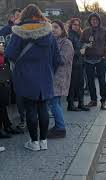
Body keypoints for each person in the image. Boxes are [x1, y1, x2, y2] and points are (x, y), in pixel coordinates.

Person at [5, 4, 61, 151]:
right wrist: (49, 71)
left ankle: (34, 142)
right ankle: (44, 141)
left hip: (25, 76)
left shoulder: (18, 33)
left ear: (24, 16)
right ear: (39, 16)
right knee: (43, 108)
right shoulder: (49, 33)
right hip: (45, 75)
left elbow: (9, 54)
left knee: (30, 109)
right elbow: (57, 59)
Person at [80, 12, 106, 110]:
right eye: (92, 20)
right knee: (90, 81)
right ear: (90, 21)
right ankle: (93, 100)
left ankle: (103, 101)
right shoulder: (85, 31)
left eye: (96, 20)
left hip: (100, 59)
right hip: (88, 59)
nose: (94, 21)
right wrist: (85, 46)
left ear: (99, 21)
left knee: (102, 81)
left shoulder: (104, 31)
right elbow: (80, 42)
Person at [47, 20, 74, 138]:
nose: (53, 29)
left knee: (53, 101)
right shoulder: (54, 41)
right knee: (55, 102)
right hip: (54, 75)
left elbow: (63, 59)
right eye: (51, 27)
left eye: (56, 27)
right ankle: (58, 125)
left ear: (62, 30)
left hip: (60, 76)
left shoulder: (66, 43)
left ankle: (61, 128)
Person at [67, 18, 90, 112]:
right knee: (72, 85)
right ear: (71, 25)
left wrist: (85, 46)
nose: (76, 26)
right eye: (74, 24)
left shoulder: (79, 35)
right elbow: (69, 51)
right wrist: (80, 51)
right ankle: (70, 105)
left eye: (78, 25)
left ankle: (81, 104)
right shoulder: (69, 36)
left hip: (80, 63)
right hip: (73, 64)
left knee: (80, 84)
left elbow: (80, 47)